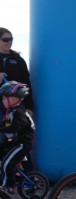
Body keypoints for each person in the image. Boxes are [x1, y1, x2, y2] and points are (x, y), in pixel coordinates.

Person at [0, 27, 35, 173]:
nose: (9, 42)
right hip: (1, 106)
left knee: (19, 140)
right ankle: (7, 175)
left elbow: (27, 84)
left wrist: (29, 107)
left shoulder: (18, 60)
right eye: (5, 39)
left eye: (11, 39)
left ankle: (28, 176)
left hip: (16, 106)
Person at [0, 81, 35, 194]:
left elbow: (15, 127)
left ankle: (8, 186)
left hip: (23, 143)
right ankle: (13, 175)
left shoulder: (19, 112)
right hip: (14, 141)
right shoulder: (11, 111)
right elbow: (5, 126)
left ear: (14, 99)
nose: (2, 100)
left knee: (7, 163)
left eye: (4, 98)